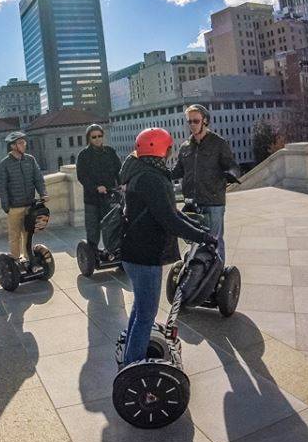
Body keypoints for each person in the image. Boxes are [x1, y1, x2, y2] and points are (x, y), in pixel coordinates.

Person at [118, 128, 216, 366]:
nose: (171, 151)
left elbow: (170, 213)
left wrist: (198, 229)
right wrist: (201, 236)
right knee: (146, 315)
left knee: (140, 309)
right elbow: (169, 219)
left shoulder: (141, 171)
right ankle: (133, 366)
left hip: (134, 252)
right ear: (161, 149)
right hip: (145, 255)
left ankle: (129, 357)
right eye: (169, 147)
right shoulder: (152, 178)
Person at [171, 104, 238, 262]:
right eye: (190, 121)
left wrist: (231, 174)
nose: (192, 125)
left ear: (205, 121)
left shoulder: (218, 143)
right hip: (192, 202)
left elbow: (232, 165)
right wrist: (159, 173)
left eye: (196, 121)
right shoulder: (185, 147)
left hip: (213, 201)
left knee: (214, 240)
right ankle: (199, 274)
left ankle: (219, 275)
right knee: (195, 240)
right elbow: (177, 171)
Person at [0, 131, 48, 264]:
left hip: (30, 206)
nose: (24, 145)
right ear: (13, 146)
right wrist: (6, 207)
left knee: (28, 233)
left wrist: (43, 193)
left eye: (24, 142)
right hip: (14, 207)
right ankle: (15, 260)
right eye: (21, 143)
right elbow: (2, 187)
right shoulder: (4, 164)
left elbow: (38, 178)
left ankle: (28, 258)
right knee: (15, 236)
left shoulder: (30, 160)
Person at [75, 124, 121, 252]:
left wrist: (122, 183)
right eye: (94, 137)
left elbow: (118, 170)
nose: (97, 139)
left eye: (100, 136)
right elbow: (82, 176)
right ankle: (93, 254)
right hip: (92, 199)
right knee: (93, 229)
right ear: (89, 138)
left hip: (110, 196)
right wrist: (96, 187)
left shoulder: (110, 152)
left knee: (111, 227)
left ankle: (113, 250)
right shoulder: (83, 155)